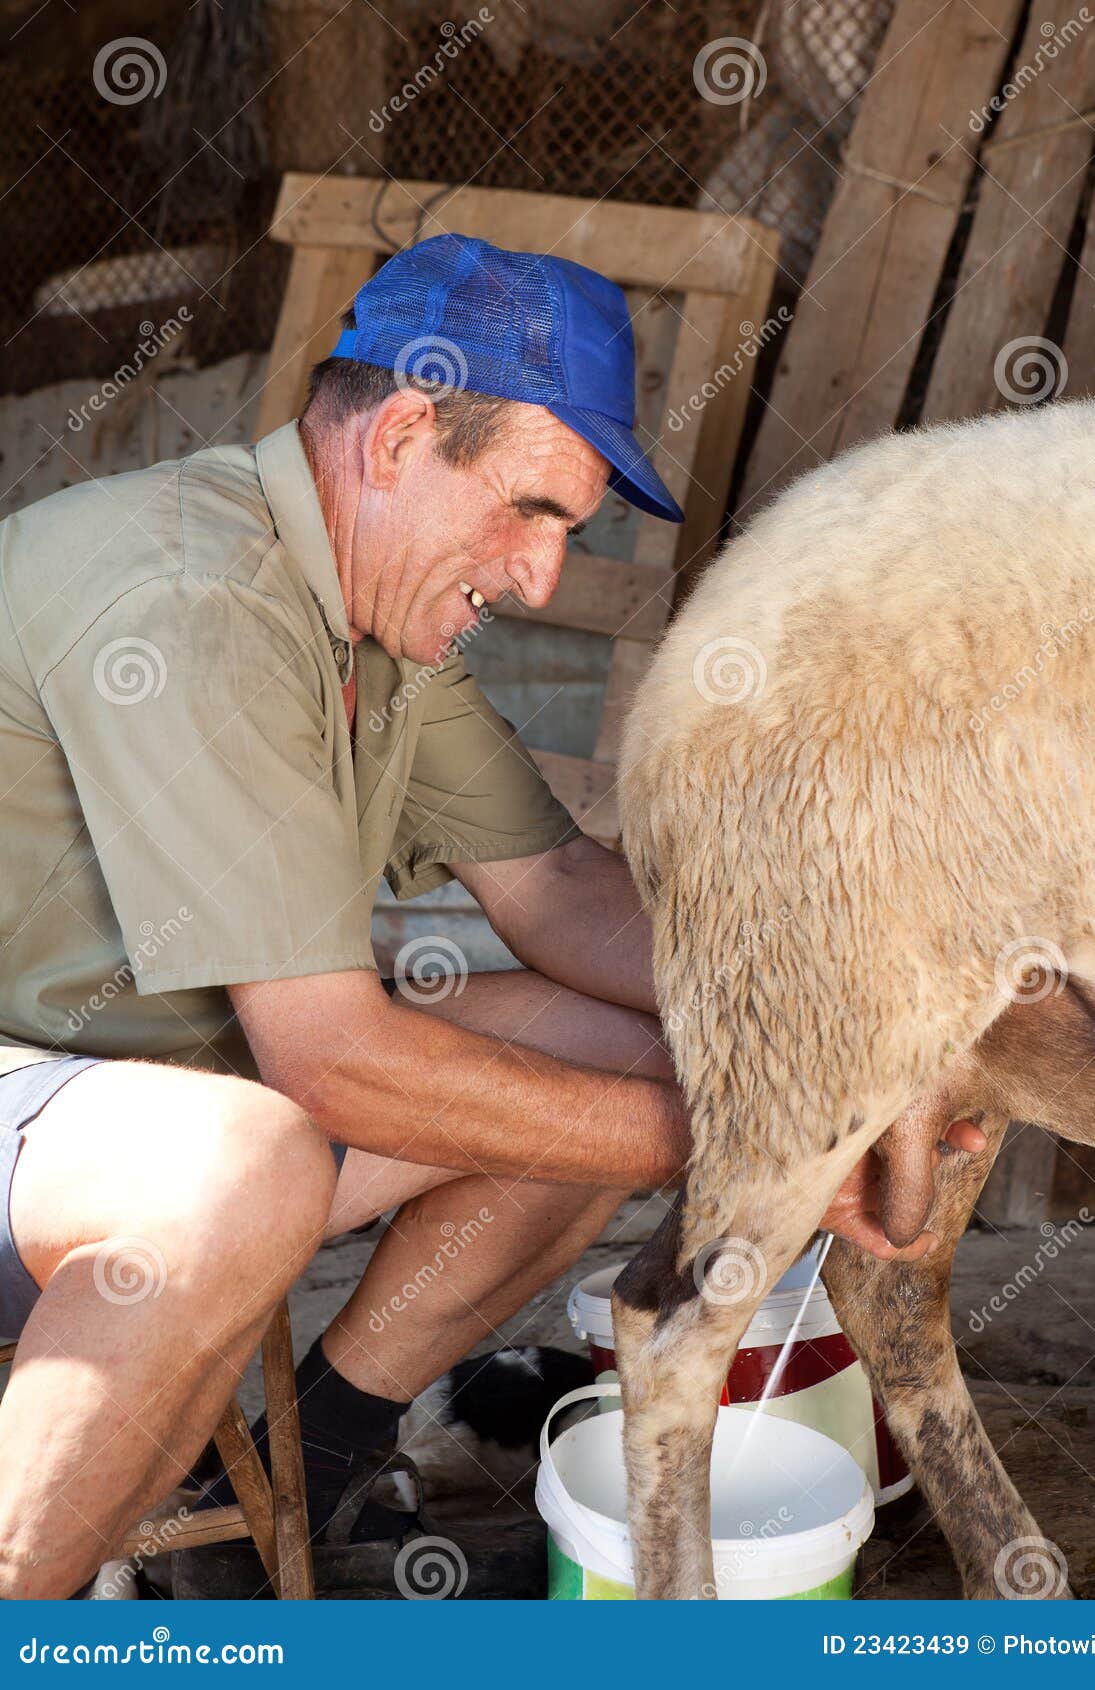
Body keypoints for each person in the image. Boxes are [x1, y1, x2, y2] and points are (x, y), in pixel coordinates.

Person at [0, 235, 981, 1596]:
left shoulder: (375, 620)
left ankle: (286, 1477)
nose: (537, 577)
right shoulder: (194, 598)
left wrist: (845, 1039)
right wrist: (757, 1147)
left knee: (607, 1050)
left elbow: (562, 891)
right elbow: (330, 1059)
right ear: (402, 433)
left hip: (152, 1103)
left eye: (564, 532)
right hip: (58, 1109)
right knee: (251, 1156)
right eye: (527, 510)